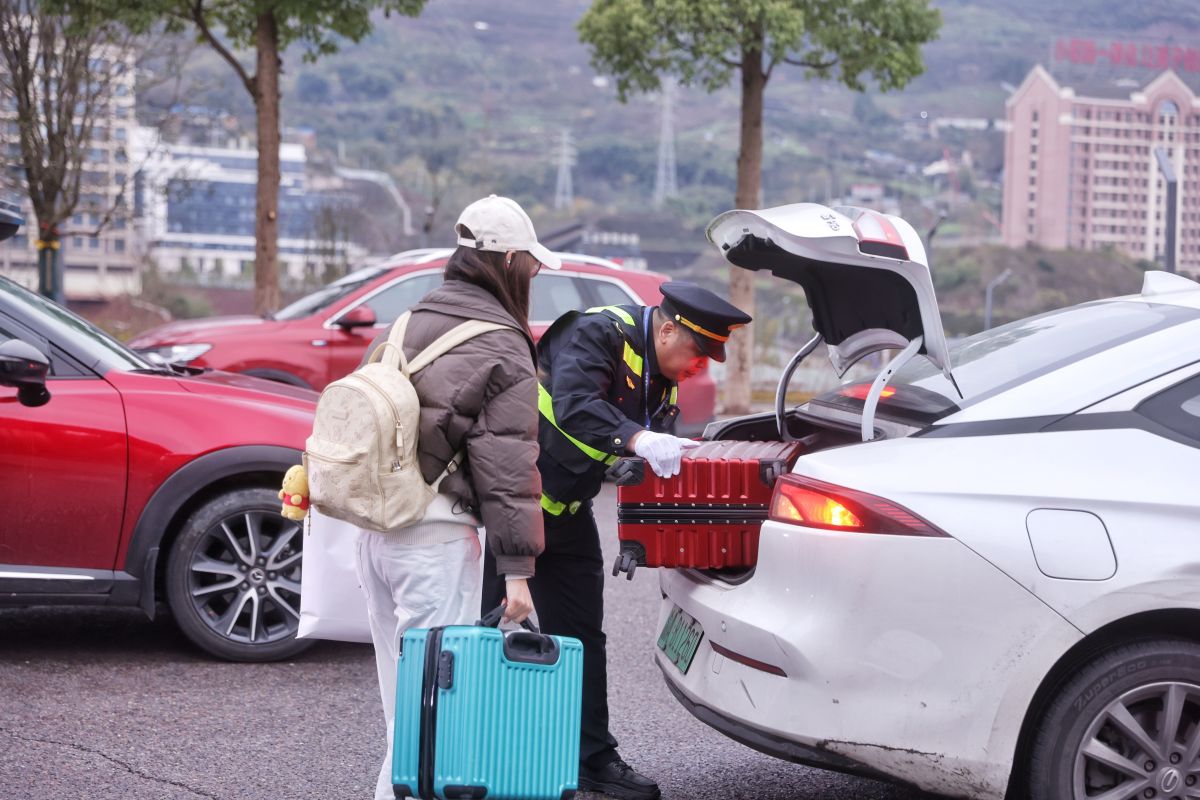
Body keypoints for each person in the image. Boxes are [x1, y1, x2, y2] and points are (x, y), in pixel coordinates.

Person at [482, 281, 753, 800]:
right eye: (697, 354)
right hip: (511, 507)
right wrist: (638, 437)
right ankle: (472, 754)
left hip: (567, 513)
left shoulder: (662, 374)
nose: (698, 368)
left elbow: (618, 455)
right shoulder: (597, 332)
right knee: (484, 634)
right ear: (667, 331)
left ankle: (591, 759)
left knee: (583, 638)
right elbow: (575, 405)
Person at [356, 194, 557, 800]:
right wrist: (517, 573)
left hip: (375, 533)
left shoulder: (407, 320)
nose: (534, 275)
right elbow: (508, 463)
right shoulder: (503, 342)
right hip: (434, 541)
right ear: (510, 261)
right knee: (432, 711)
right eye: (531, 265)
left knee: (404, 703)